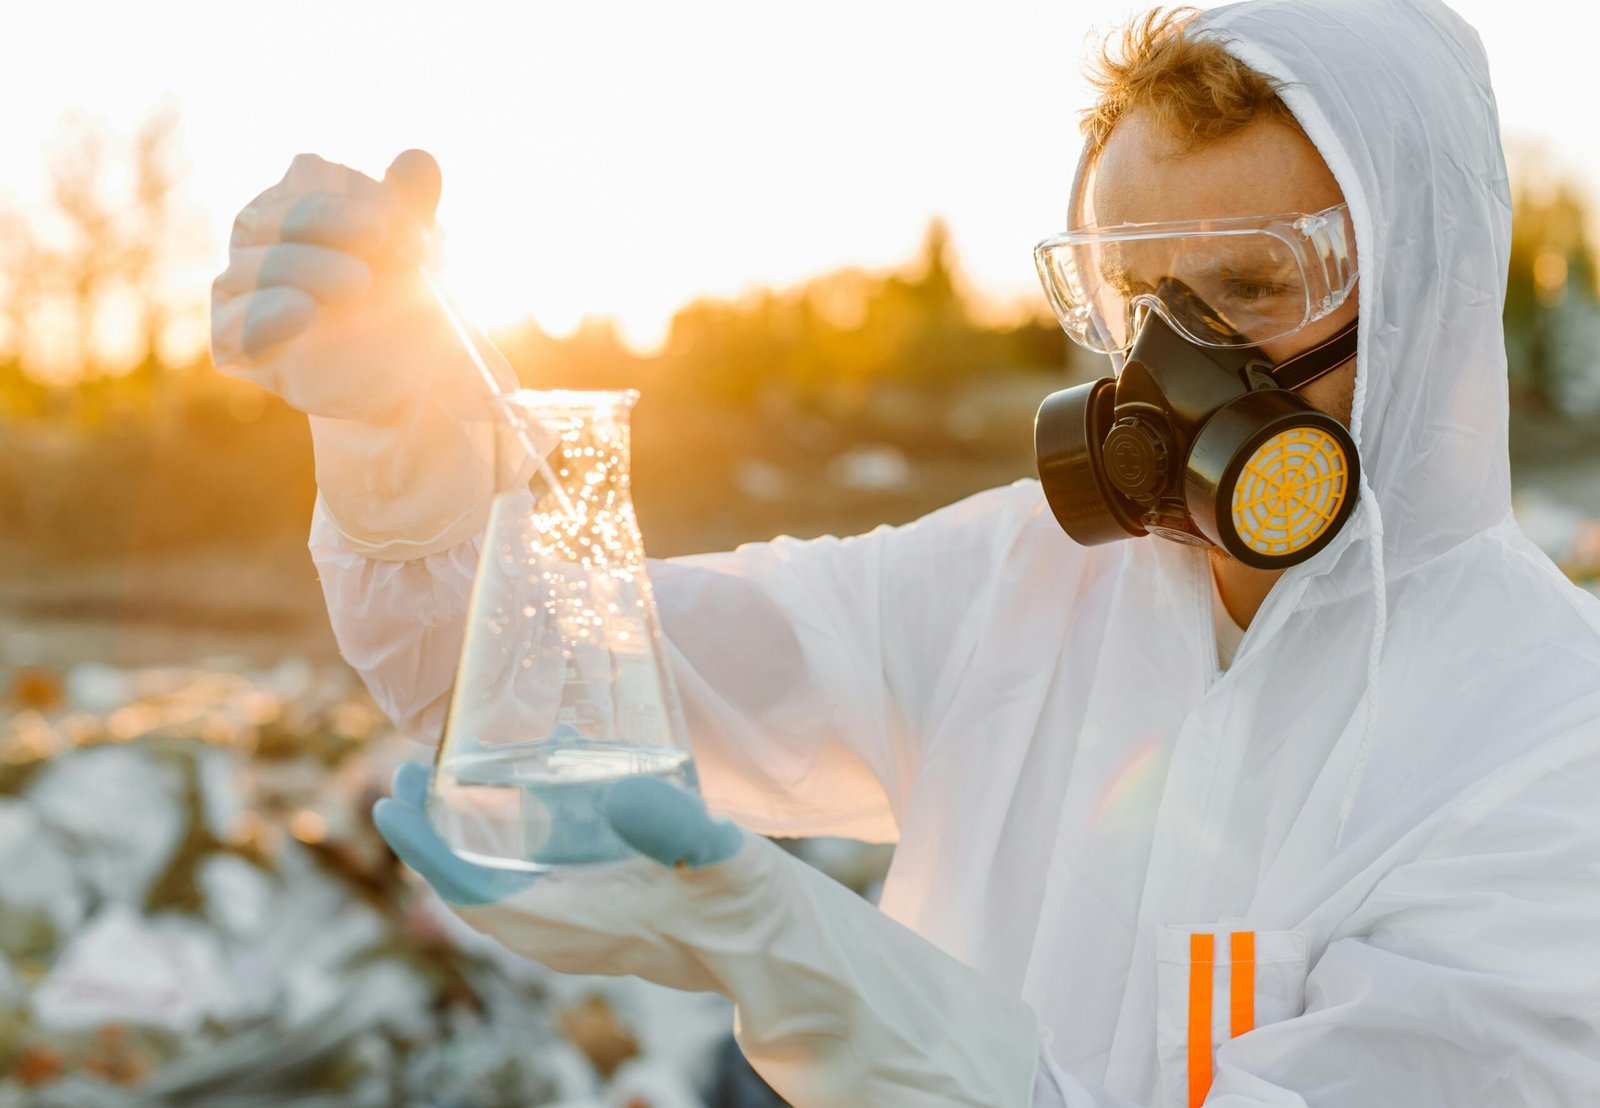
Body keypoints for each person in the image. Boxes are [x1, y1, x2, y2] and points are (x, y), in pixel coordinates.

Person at [211, 0, 1600, 1103]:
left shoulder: (1545, 749)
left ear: (1427, 299)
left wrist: (792, 951)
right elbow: (549, 687)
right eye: (1137, 292)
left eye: (1251, 288)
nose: (1179, 364)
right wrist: (398, 425)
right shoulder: (1011, 586)